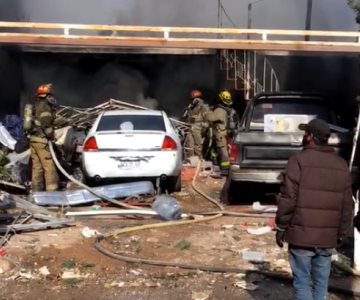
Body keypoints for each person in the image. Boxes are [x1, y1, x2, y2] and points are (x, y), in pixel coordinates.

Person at [275, 118, 353, 300]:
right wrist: (342, 233)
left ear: (310, 137)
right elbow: (346, 205)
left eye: (305, 133)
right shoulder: (341, 165)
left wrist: (281, 227)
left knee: (302, 283)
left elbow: (287, 199)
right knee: (321, 284)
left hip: (301, 236)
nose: (303, 136)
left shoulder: (298, 161)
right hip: (326, 239)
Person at [27, 83, 59, 192]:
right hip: (41, 141)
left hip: (33, 140)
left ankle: (36, 192)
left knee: (37, 167)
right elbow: (46, 125)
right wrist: (52, 136)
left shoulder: (36, 104)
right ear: (47, 96)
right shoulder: (45, 107)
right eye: (50, 95)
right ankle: (52, 193)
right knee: (49, 167)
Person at [205, 90, 233, 176]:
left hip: (220, 134)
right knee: (216, 150)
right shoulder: (226, 109)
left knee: (222, 150)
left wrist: (208, 111)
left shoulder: (220, 110)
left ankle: (225, 169)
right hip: (221, 133)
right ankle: (216, 164)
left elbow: (211, 118)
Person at [183, 90, 209, 158]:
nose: (194, 100)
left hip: (198, 128)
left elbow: (207, 121)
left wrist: (202, 126)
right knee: (189, 145)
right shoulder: (191, 107)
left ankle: (199, 161)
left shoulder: (204, 107)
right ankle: (191, 160)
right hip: (190, 128)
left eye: (196, 99)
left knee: (197, 146)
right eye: (193, 99)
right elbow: (186, 118)